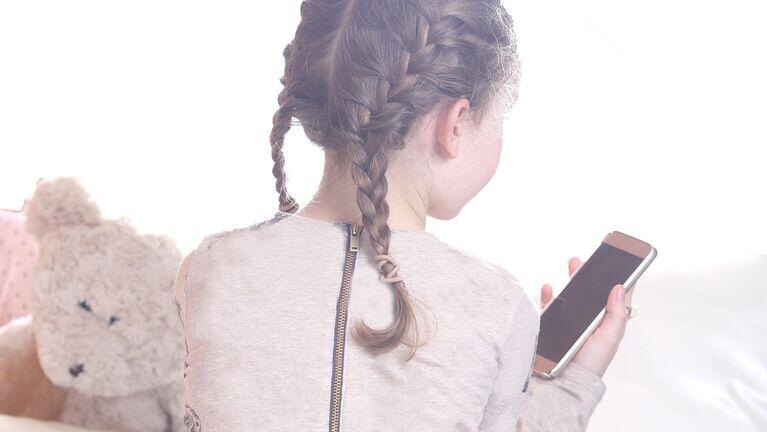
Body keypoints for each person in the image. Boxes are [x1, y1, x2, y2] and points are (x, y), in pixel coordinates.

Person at [174, 1, 634, 430]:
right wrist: (573, 384)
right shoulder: (495, 305)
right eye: (500, 118)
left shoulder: (209, 268)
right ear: (456, 124)